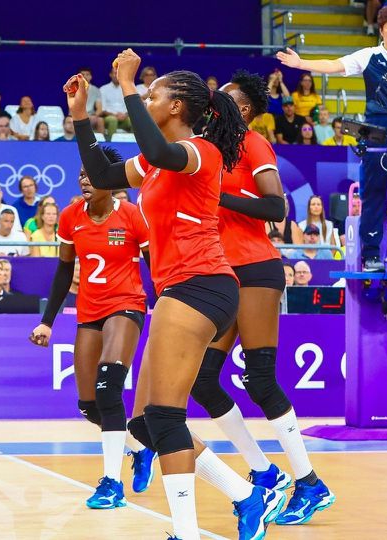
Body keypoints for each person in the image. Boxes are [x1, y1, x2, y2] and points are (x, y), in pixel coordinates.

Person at [66, 50, 284, 540]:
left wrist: (125, 86)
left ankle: (187, 531)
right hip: (183, 287)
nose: (146, 98)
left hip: (200, 283)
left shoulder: (199, 152)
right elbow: (103, 175)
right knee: (146, 424)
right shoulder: (154, 162)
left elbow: (161, 151)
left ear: (177, 106)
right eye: (144, 94)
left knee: (163, 416)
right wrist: (80, 117)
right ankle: (247, 495)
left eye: (152, 94)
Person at [194, 69, 334, 528]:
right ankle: (264, 471)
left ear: (243, 109)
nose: (215, 102)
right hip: (221, 272)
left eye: (224, 98)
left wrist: (221, 198)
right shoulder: (208, 148)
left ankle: (309, 482)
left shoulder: (253, 145)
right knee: (202, 380)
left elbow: (277, 208)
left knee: (259, 379)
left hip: (255, 268)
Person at [30, 152, 155, 507]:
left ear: (110, 179)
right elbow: (63, 271)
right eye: (81, 174)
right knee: (88, 405)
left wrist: (167, 303)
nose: (85, 180)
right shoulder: (70, 217)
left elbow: (155, 264)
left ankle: (111, 484)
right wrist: (47, 321)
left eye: (92, 175)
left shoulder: (132, 215)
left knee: (108, 387)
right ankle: (139, 449)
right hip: (89, 311)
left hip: (126, 305)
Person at [278, 3, 387, 271]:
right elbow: (334, 65)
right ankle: (372, 254)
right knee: (373, 192)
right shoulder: (368, 55)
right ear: (381, 31)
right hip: (377, 130)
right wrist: (301, 63)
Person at [99, 66, 132, 141]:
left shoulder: (127, 89)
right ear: (110, 75)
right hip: (109, 117)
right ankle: (111, 144)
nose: (117, 75)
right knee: (112, 120)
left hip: (125, 117)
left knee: (133, 121)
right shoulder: (103, 89)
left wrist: (125, 115)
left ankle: (137, 144)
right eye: (115, 73)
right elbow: (103, 109)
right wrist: (115, 115)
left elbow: (131, 107)